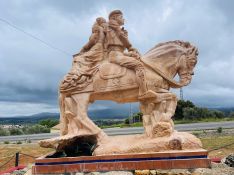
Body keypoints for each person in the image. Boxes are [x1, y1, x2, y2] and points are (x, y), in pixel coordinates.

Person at [105, 10, 156, 99]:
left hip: (120, 53)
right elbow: (121, 37)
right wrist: (130, 47)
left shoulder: (119, 29)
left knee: (138, 58)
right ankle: (143, 92)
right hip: (115, 54)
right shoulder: (112, 24)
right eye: (121, 17)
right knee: (138, 65)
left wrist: (131, 53)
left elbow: (121, 46)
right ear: (114, 18)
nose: (123, 19)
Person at [60, 17, 106, 92]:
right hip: (102, 50)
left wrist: (80, 52)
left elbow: (88, 45)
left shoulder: (96, 31)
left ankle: (75, 78)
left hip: (97, 50)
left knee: (78, 59)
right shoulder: (106, 30)